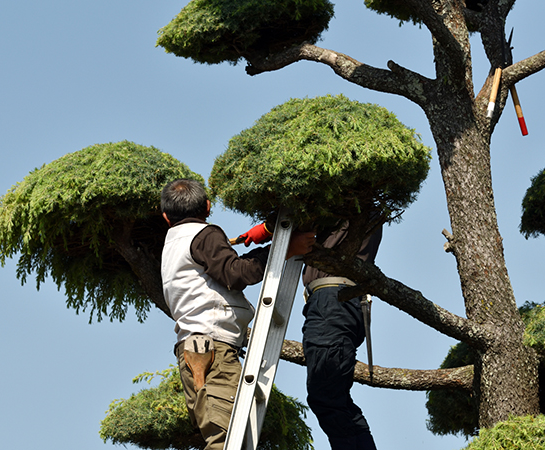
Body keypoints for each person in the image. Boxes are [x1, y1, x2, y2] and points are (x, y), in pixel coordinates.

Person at [160, 179, 314, 450]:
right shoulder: (204, 235)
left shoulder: (173, 243)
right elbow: (235, 274)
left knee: (228, 438)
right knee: (226, 440)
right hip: (213, 349)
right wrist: (283, 250)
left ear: (165, 217)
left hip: (195, 349)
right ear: (208, 207)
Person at [242, 214, 382, 450]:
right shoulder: (357, 201)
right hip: (336, 303)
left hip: (333, 301)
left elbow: (307, 207)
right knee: (334, 399)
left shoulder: (349, 198)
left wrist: (270, 226)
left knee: (327, 398)